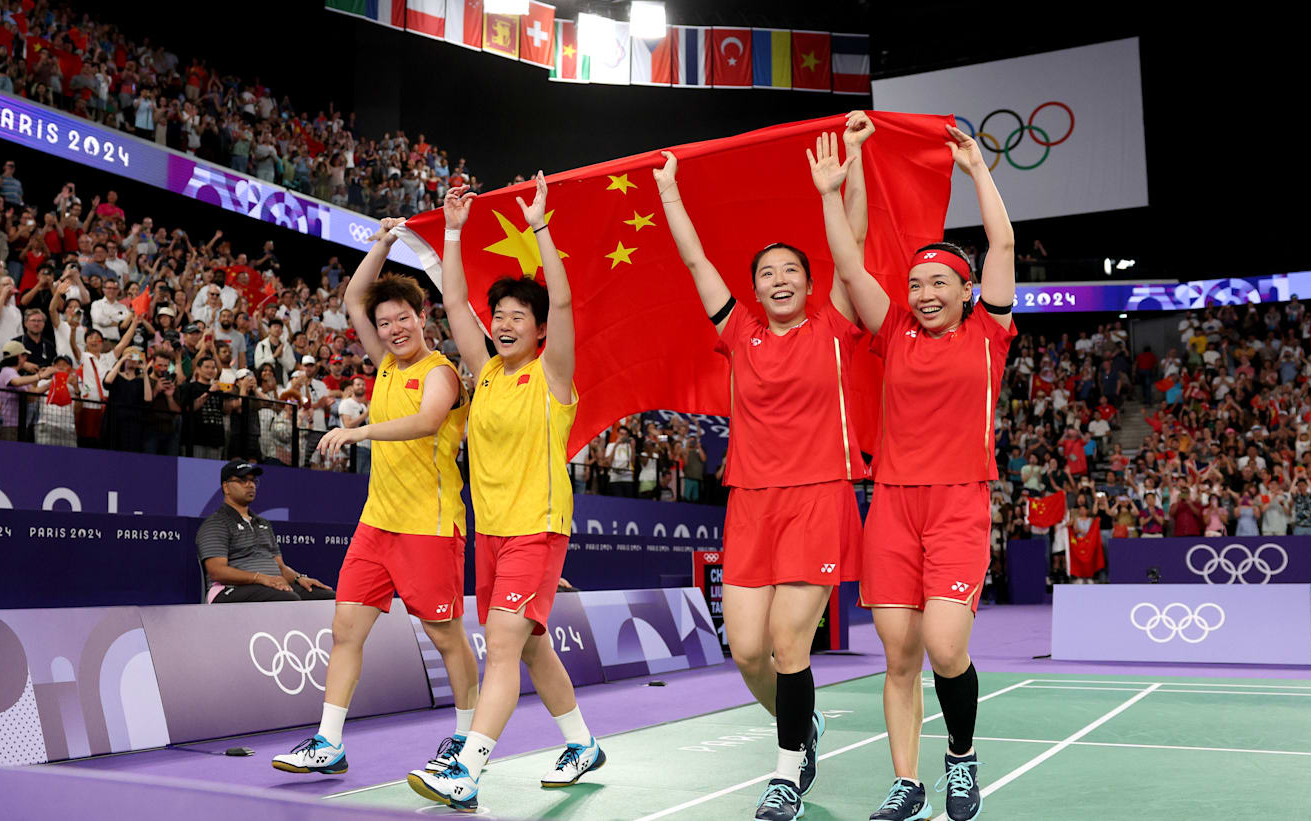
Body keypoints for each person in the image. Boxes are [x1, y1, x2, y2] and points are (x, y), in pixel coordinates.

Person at [641, 119, 873, 821]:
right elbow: (695, 263)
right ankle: (802, 724)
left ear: (809, 284)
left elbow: (853, 247)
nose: (778, 279)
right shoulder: (738, 330)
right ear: (755, 289)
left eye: (790, 271)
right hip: (750, 502)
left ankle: (785, 774)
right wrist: (669, 192)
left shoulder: (832, 325)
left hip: (818, 497)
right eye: (766, 273)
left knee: (787, 642)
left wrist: (846, 173)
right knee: (746, 650)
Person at [828, 123, 1016, 821]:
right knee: (900, 653)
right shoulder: (895, 331)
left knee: (944, 644)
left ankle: (961, 758)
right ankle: (907, 782)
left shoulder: (989, 333)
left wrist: (977, 170)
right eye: (916, 283)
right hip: (892, 507)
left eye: (940, 282)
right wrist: (841, 177)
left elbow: (1003, 245)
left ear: (968, 291)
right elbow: (850, 267)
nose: (925, 292)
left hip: (960, 503)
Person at [409, 175, 601, 812]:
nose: (505, 323)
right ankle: (582, 744)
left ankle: (467, 769)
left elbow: (564, 304)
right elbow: (453, 301)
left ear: (540, 330)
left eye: (520, 317)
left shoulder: (552, 375)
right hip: (490, 531)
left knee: (502, 650)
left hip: (536, 527)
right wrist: (453, 231)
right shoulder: (486, 370)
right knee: (531, 644)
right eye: (500, 316)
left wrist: (541, 227)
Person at [270, 218, 479, 783]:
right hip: (376, 525)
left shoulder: (441, 373)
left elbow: (427, 421)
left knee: (445, 637)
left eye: (402, 318)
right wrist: (385, 242)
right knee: (345, 630)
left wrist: (358, 431)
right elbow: (352, 298)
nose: (392, 329)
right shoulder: (385, 363)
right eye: (384, 323)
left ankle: (466, 737)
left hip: (429, 526)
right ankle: (328, 742)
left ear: (422, 318)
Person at [196, 461, 334, 603]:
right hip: (229, 589)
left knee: (327, 597)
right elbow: (217, 572)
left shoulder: (263, 524)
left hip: (268, 586)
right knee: (287, 598)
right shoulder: (216, 523)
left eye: (253, 481)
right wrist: (260, 578)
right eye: (243, 480)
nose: (251, 485)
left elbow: (280, 567)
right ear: (226, 487)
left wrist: (299, 578)